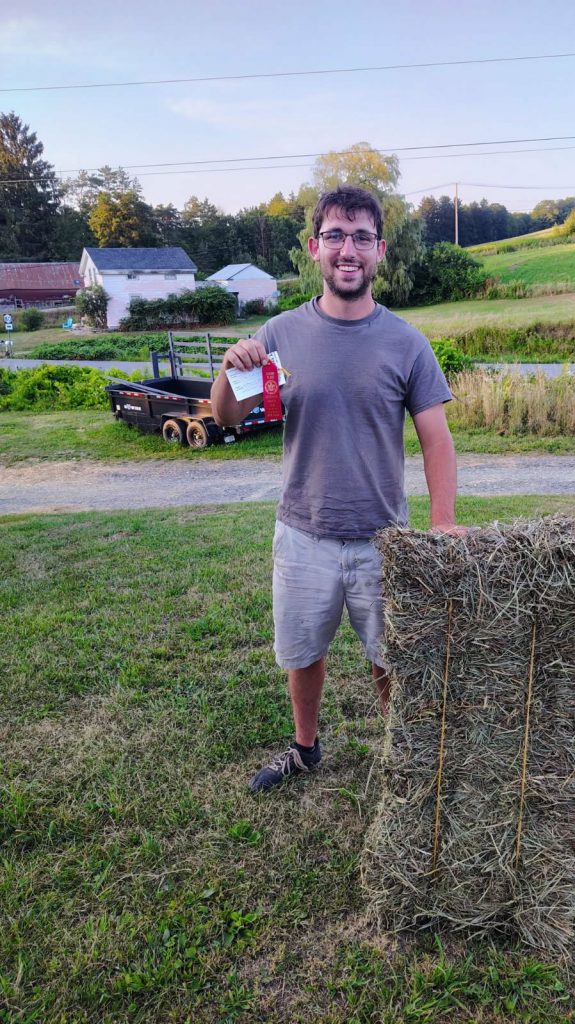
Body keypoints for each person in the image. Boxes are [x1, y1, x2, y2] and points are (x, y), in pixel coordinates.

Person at [211, 185, 459, 794]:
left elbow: (436, 440)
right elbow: (226, 417)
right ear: (314, 247)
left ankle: (402, 755)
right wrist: (229, 369)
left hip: (385, 540)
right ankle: (305, 748)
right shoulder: (278, 334)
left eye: (361, 238)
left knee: (390, 656)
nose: (348, 250)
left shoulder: (407, 342)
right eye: (336, 236)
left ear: (379, 251)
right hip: (303, 533)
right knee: (303, 652)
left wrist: (443, 523)